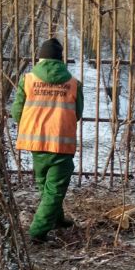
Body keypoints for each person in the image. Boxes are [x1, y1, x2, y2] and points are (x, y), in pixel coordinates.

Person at [12, 37, 84, 244]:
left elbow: (16, 112)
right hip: (61, 143)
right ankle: (38, 231)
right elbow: (77, 113)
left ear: (41, 59)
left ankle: (56, 219)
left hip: (35, 142)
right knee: (54, 189)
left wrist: (33, 124)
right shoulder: (73, 84)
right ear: (60, 60)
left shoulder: (27, 80)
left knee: (45, 185)